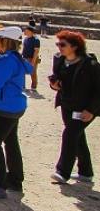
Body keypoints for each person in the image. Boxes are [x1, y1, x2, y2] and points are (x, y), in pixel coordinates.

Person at [0, 26, 33, 199]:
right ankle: (15, 180)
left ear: (5, 41)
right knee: (10, 141)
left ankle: (0, 184)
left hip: (5, 107)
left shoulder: (6, 60)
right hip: (15, 105)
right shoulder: (17, 58)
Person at [48, 30, 100, 184]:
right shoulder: (59, 60)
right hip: (67, 105)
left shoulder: (91, 65)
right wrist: (54, 86)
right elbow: (57, 79)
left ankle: (63, 172)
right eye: (58, 44)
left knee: (70, 135)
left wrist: (91, 110)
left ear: (75, 47)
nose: (59, 47)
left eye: (63, 44)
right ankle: (86, 172)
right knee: (77, 136)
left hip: (85, 109)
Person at [22, 25, 42, 91]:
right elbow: (24, 48)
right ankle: (23, 86)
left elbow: (36, 51)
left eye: (26, 30)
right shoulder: (25, 39)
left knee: (33, 73)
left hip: (32, 58)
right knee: (22, 72)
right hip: (24, 57)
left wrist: (33, 61)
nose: (25, 31)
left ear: (31, 31)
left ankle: (34, 87)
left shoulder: (36, 40)